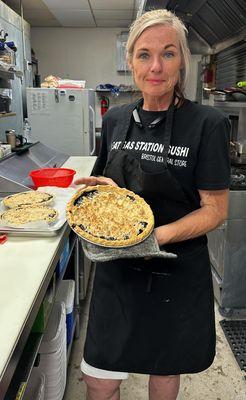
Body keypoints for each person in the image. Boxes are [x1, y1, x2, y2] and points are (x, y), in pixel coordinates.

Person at [75, 9, 230, 400]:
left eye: (168, 54)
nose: (156, 66)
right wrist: (105, 195)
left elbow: (215, 209)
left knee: (164, 371)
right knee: (99, 379)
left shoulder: (208, 124)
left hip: (174, 271)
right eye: (144, 55)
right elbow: (116, 190)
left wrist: (153, 236)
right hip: (118, 271)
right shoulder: (116, 121)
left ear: (183, 61)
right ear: (130, 62)